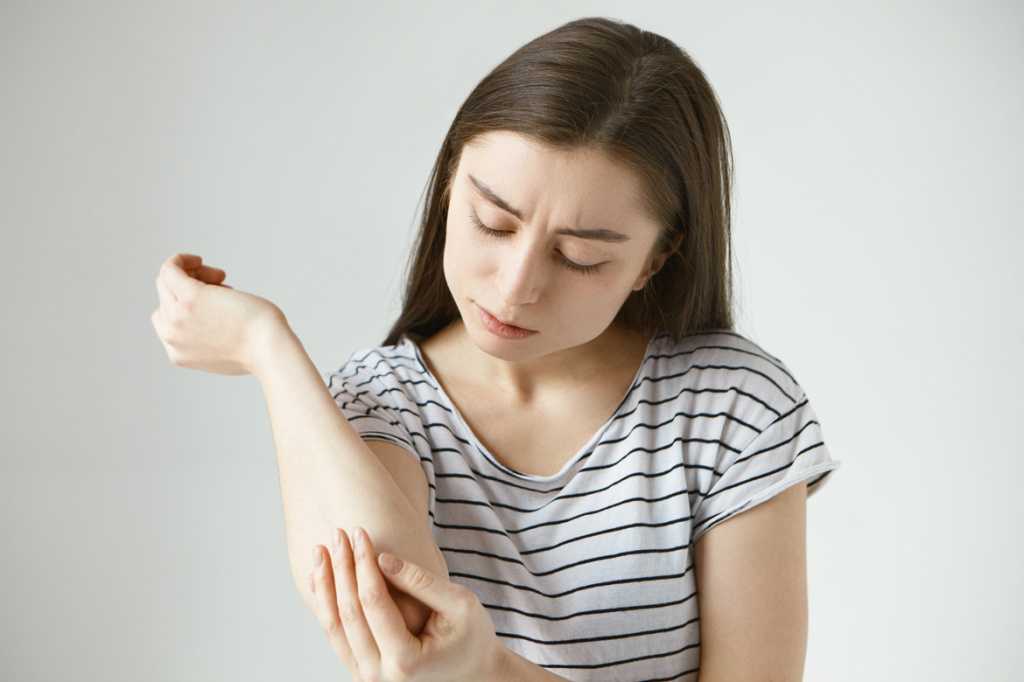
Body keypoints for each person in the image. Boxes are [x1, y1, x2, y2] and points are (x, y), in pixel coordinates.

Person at [152, 16, 841, 682]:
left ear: (656, 260)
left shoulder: (732, 407)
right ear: (449, 184)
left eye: (578, 257)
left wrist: (486, 669)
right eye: (493, 222)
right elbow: (402, 628)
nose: (516, 288)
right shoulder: (382, 404)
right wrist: (269, 349)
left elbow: (438, 660)